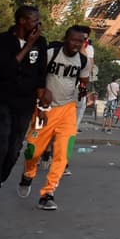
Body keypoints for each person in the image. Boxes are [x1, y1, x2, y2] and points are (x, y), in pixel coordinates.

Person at [0, 6, 50, 220]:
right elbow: (7, 68)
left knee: (15, 149)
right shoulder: (2, 40)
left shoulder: (42, 42)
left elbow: (41, 73)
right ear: (20, 21)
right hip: (3, 98)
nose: (36, 24)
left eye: (38, 19)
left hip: (26, 102)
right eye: (32, 20)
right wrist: (28, 45)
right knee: (0, 144)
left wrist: (42, 103)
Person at [18, 26, 90, 211]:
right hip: (45, 108)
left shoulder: (83, 60)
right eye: (73, 40)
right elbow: (36, 76)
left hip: (67, 109)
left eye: (79, 42)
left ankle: (48, 193)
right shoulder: (50, 53)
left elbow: (84, 79)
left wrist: (83, 88)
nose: (76, 44)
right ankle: (29, 172)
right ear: (65, 38)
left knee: (63, 153)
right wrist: (41, 97)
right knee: (33, 150)